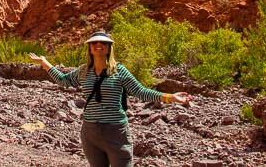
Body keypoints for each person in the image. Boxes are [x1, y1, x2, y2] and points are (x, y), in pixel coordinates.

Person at [29, 30, 193, 167]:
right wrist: (45, 63)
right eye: (94, 43)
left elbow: (140, 91)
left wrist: (170, 97)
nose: (98, 45)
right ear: (90, 49)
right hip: (90, 132)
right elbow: (64, 81)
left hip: (116, 132)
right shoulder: (84, 71)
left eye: (103, 43)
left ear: (109, 48)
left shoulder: (119, 71)